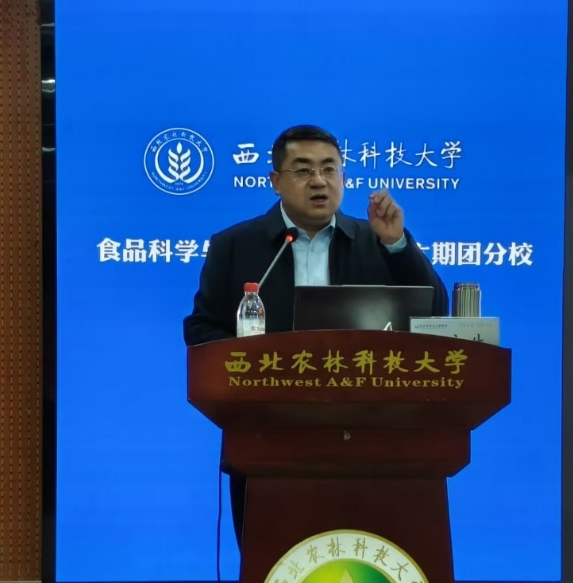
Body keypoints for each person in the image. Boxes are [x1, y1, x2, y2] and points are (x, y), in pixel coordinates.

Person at [182, 124, 448, 548]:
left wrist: (397, 244)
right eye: (303, 170)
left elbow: (434, 312)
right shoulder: (235, 245)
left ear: (343, 177)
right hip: (268, 436)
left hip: (368, 438)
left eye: (329, 169)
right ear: (275, 181)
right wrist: (251, 363)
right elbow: (201, 330)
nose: (319, 181)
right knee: (271, 560)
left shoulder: (376, 239)